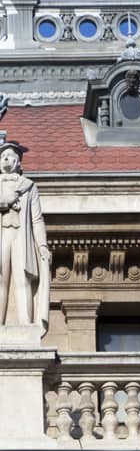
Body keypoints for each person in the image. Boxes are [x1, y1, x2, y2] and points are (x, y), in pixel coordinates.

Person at [0, 140, 49, 329]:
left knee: (22, 279)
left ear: (18, 162)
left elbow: (37, 219)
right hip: (2, 236)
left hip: (21, 236)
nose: (6, 158)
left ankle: (25, 323)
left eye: (11, 155)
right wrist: (8, 202)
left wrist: (42, 245)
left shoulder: (29, 186)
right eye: (3, 155)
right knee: (1, 279)